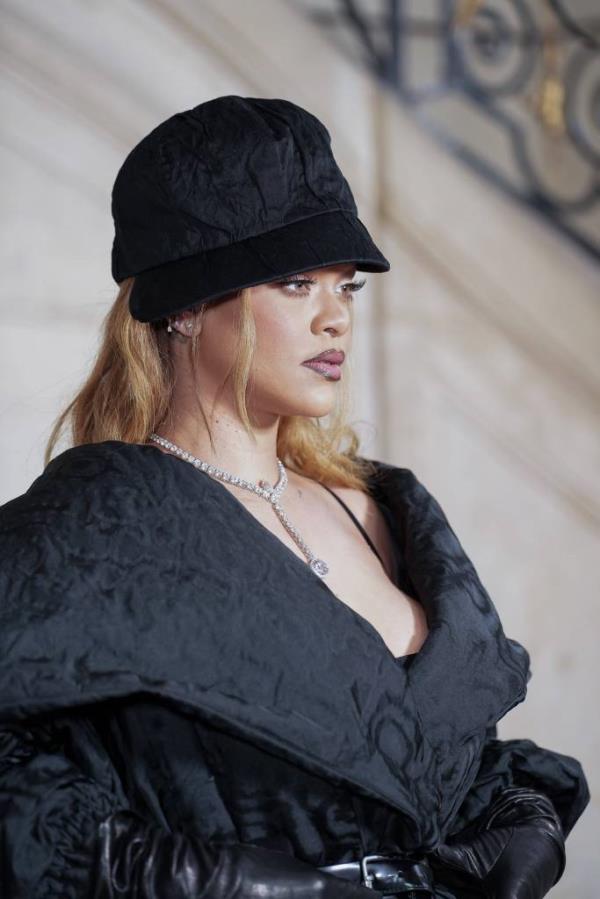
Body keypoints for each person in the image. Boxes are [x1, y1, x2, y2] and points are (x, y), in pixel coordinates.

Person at [0, 96, 589, 899]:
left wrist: (524, 812)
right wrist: (164, 871)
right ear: (182, 304)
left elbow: (453, 752)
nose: (333, 318)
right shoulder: (94, 523)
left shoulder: (385, 511)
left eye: (346, 287)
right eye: (293, 281)